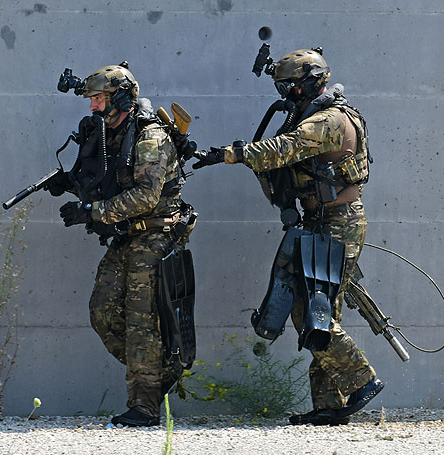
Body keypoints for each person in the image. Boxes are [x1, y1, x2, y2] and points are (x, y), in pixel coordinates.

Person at [193, 48, 383, 426]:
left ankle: (363, 378)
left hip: (336, 221)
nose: (284, 92)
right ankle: (330, 404)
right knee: (320, 307)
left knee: (309, 307)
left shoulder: (328, 120)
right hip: (319, 220)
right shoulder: (310, 114)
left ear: (310, 83)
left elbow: (283, 149)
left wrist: (230, 155)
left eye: (289, 85)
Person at [48, 62, 196, 427]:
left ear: (119, 98)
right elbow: (105, 179)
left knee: (141, 320)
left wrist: (92, 212)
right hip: (126, 235)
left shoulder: (151, 137)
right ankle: (160, 370)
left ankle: (144, 406)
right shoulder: (108, 132)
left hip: (156, 234)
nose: (92, 107)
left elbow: (146, 195)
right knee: (102, 312)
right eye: (92, 100)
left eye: (98, 99)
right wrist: (69, 183)